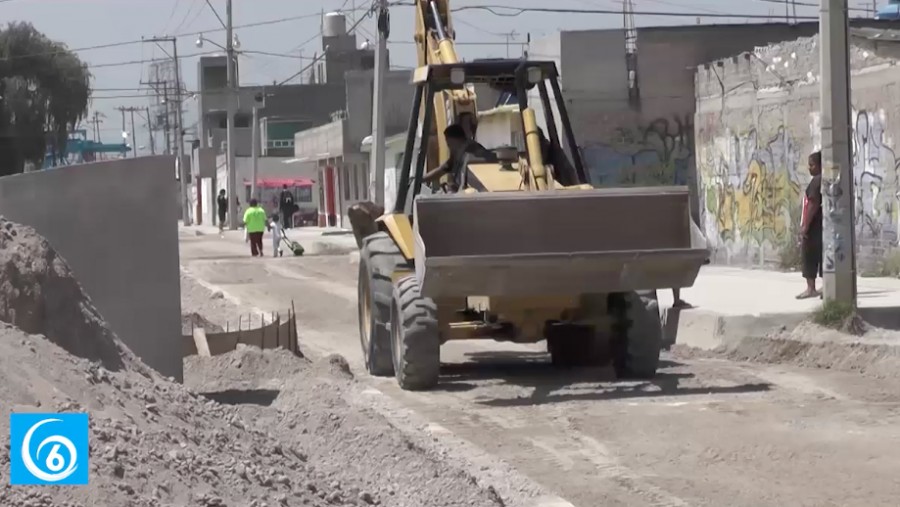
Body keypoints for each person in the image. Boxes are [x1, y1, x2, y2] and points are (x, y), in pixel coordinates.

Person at [423, 124, 497, 192]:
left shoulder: (473, 154)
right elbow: (443, 169)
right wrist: (421, 179)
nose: (449, 147)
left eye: (449, 144)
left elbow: (474, 183)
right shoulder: (459, 153)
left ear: (455, 140)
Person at [797, 150, 824, 299]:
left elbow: (812, 205)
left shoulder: (816, 182)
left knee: (809, 256)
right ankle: (824, 287)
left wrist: (805, 226)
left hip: (813, 227)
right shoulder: (822, 180)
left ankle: (810, 288)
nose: (809, 168)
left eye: (812, 165)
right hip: (819, 226)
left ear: (820, 165)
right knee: (821, 255)